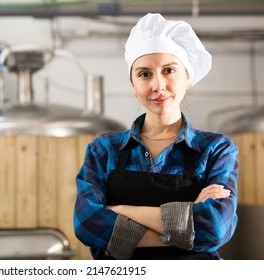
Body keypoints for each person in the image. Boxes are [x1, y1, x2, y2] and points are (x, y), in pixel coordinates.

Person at [73, 13, 238, 260]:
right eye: (144, 74)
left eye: (169, 70)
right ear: (133, 84)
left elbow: (215, 228)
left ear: (187, 76)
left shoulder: (216, 149)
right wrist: (190, 215)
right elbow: (87, 223)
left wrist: (120, 210)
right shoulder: (104, 149)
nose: (157, 85)